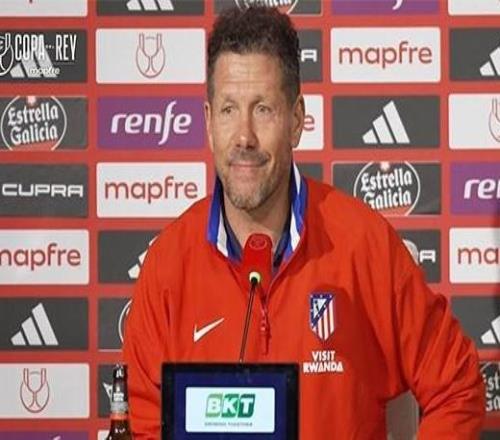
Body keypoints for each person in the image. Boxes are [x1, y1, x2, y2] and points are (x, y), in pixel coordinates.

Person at [123, 6, 485, 439]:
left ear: (296, 120)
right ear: (207, 121)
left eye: (263, 110)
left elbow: (458, 387)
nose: (244, 137)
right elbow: (143, 426)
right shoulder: (168, 265)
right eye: (228, 110)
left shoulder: (363, 244)